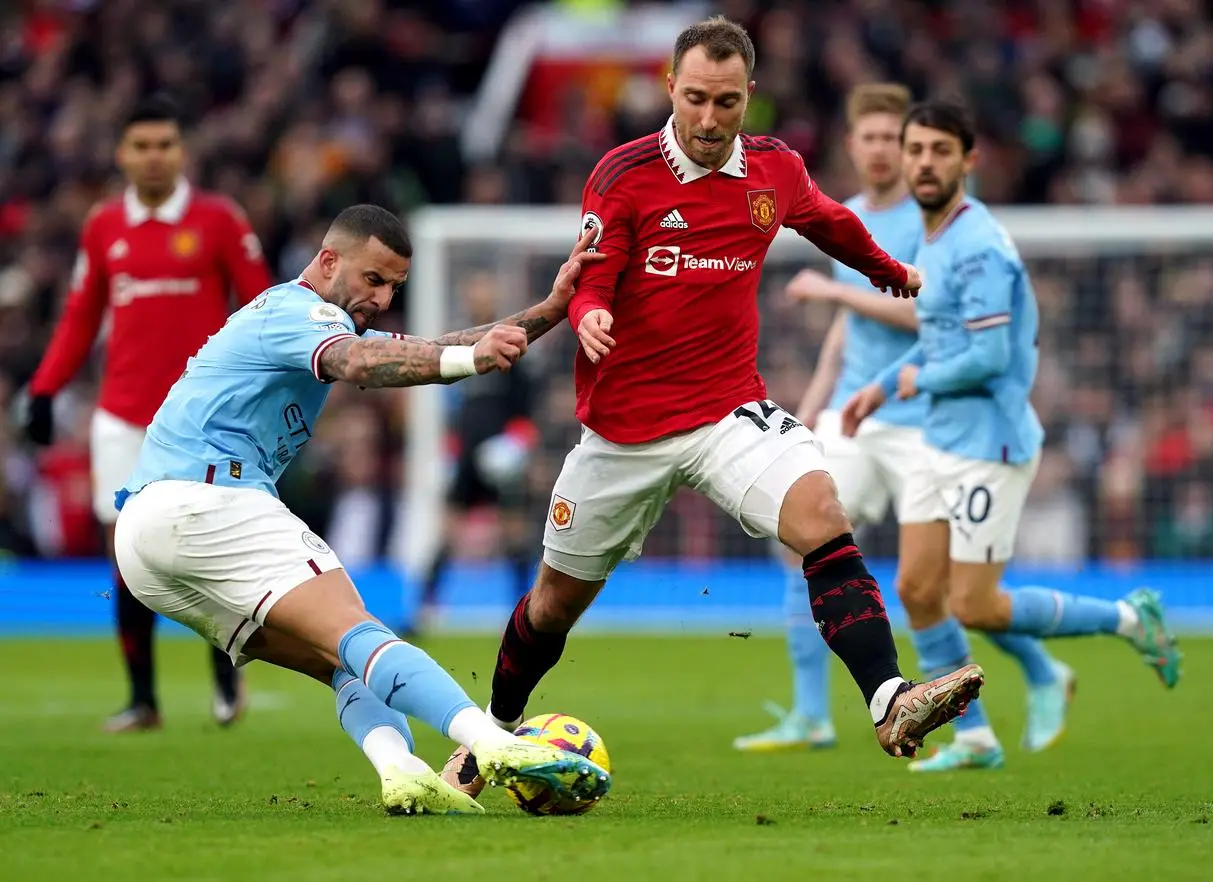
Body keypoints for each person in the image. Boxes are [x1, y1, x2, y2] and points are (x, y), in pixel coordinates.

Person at [440, 17, 986, 799]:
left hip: (729, 411)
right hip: (624, 433)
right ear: (670, 88)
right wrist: (592, 311)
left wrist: (887, 268)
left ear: (748, 99)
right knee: (554, 605)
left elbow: (828, 219)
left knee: (821, 510)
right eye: (694, 98)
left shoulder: (773, 169)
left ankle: (889, 700)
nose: (707, 118)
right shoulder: (623, 174)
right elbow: (594, 271)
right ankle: (488, 734)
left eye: (725, 103)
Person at [112, 205, 611, 815]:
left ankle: (399, 770)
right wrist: (471, 361)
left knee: (337, 660)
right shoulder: (296, 312)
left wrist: (551, 310)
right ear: (328, 261)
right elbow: (356, 364)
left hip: (144, 542)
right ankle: (494, 744)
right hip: (208, 499)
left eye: (395, 286)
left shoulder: (316, 319)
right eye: (373, 279)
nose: (382, 296)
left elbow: (430, 348)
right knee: (361, 633)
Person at [841, 98, 1182, 772]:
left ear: (969, 160)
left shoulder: (979, 245)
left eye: (940, 151)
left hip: (989, 446)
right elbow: (939, 337)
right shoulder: (931, 238)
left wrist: (918, 382)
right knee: (915, 589)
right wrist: (882, 385)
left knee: (978, 605)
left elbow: (989, 358)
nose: (924, 163)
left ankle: (1129, 619)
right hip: (941, 440)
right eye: (916, 150)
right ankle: (974, 738)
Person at [734, 85, 1072, 762]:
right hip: (860, 413)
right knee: (800, 538)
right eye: (876, 138)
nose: (889, 151)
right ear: (854, 146)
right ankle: (810, 713)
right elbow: (847, 324)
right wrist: (820, 397)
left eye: (901, 140)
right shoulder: (846, 218)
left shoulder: (936, 220)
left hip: (929, 417)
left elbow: (929, 315)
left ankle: (1030, 676)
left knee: (942, 589)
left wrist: (837, 292)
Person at [24, 94, 272, 732]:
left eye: (165, 144)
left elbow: (262, 307)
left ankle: (224, 669)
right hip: (124, 416)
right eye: (142, 145)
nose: (154, 156)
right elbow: (81, 315)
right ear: (122, 154)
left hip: (204, 416)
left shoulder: (218, 220)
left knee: (204, 542)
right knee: (127, 555)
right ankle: (143, 699)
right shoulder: (104, 226)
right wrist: (46, 389)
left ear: (181, 151)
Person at [413, 270, 539, 636]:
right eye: (473, 291)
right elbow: (453, 411)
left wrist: (516, 444)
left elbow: (528, 409)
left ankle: (524, 614)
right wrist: (449, 453)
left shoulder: (515, 346)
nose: (478, 298)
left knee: (514, 533)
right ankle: (425, 608)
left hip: (502, 456)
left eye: (485, 291)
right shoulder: (457, 350)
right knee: (447, 533)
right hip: (466, 455)